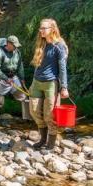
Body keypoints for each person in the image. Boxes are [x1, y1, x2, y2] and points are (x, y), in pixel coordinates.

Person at [29, 18, 69, 150]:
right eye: (40, 28)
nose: (41, 30)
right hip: (36, 82)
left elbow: (62, 68)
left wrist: (64, 87)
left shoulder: (59, 46)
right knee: (34, 111)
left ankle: (50, 144)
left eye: (44, 28)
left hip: (51, 84)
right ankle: (42, 139)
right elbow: (38, 64)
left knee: (49, 115)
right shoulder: (41, 43)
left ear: (52, 29)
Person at [0, 35, 27, 121]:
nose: (15, 47)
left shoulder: (17, 52)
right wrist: (6, 78)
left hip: (14, 77)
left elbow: (20, 66)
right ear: (8, 43)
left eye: (16, 46)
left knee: (23, 96)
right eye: (14, 45)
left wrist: (22, 78)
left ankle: (26, 117)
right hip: (2, 78)